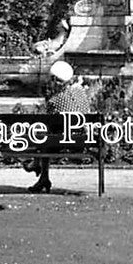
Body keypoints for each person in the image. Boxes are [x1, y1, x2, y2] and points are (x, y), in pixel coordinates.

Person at [28, 61, 90, 193]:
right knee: (47, 139)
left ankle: (37, 167)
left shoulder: (55, 100)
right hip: (84, 139)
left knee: (44, 139)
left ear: (56, 81)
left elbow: (49, 122)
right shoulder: (82, 94)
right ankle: (41, 175)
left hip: (64, 140)